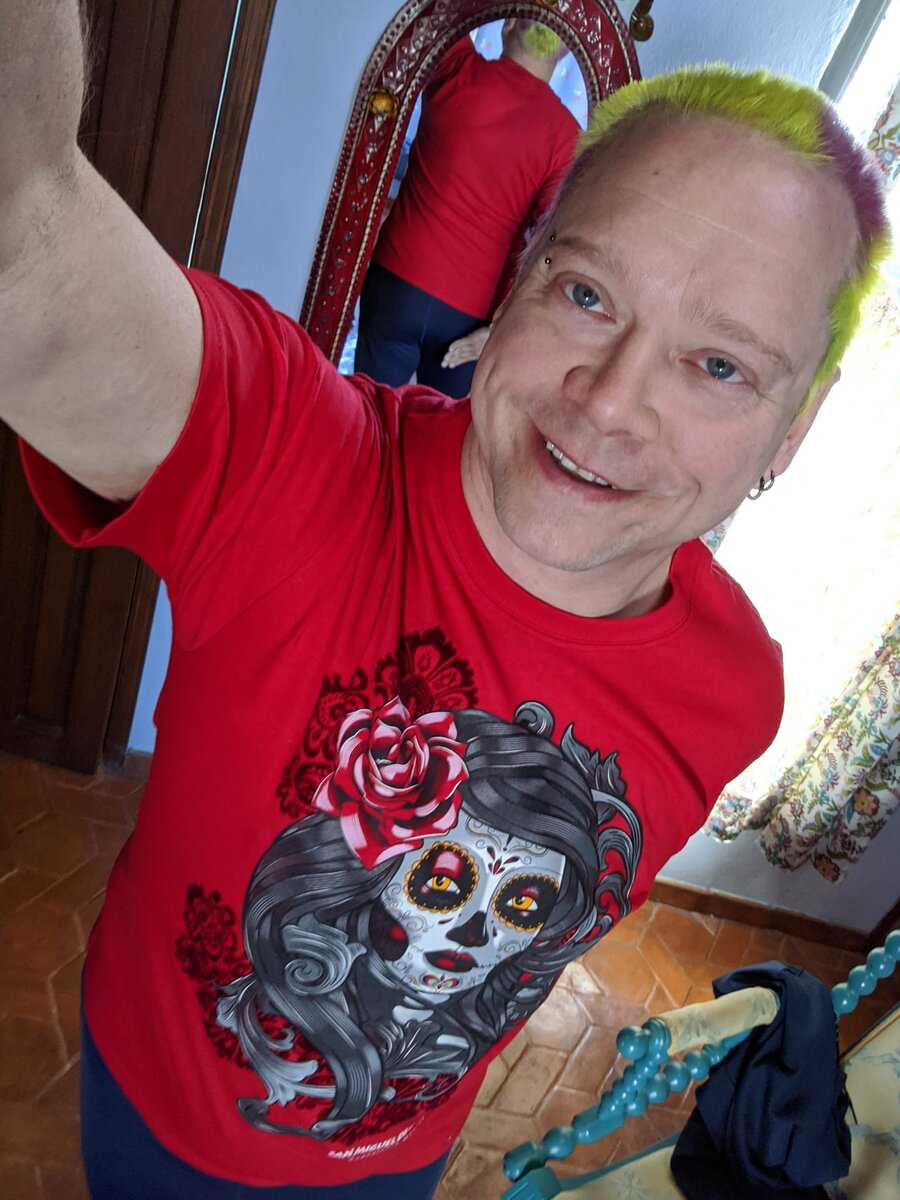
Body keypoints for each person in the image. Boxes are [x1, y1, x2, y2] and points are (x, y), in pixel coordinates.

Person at [0, 2, 890, 1196]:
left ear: (795, 425)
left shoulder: (737, 692)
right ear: (519, 276)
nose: (608, 403)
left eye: (719, 365)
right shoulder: (301, 469)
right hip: (162, 1125)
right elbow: (19, 236)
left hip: (403, 1160)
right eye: (585, 294)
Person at [354, 19, 579, 397]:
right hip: (469, 312)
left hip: (397, 278)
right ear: (565, 51)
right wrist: (502, 321)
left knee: (367, 409)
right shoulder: (565, 137)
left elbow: (438, 14)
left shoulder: (456, 66)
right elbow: (551, 241)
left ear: (508, 24)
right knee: (440, 425)